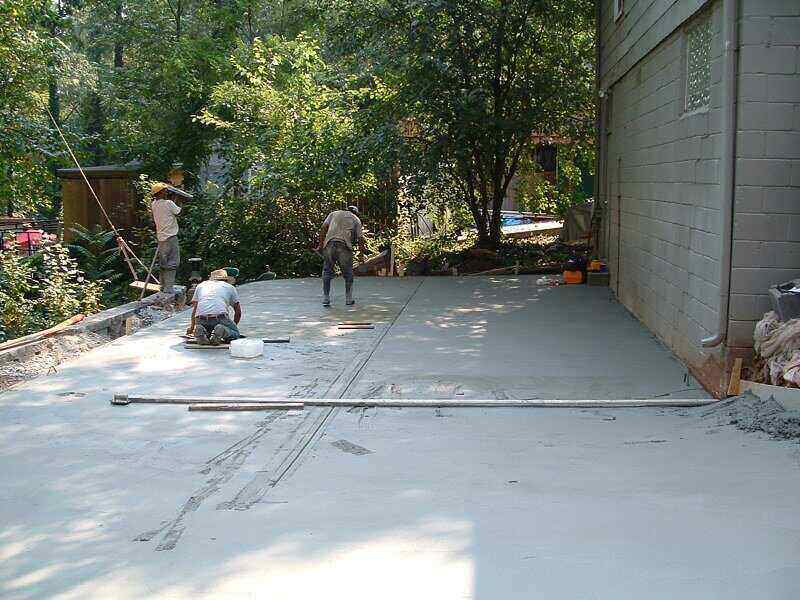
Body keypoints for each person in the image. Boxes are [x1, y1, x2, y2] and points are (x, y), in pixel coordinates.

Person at [317, 205, 366, 306]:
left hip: (329, 244)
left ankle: (326, 299)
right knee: (348, 274)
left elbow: (323, 229)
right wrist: (361, 254)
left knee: (327, 271)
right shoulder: (356, 219)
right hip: (344, 246)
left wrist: (320, 245)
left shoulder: (333, 214)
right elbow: (360, 238)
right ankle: (348, 299)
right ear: (355, 212)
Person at [186, 268, 243, 345]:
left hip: (201, 319)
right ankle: (222, 330)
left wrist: (192, 328)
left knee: (207, 333)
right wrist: (231, 327)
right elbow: (238, 311)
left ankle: (200, 331)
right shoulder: (229, 287)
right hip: (220, 318)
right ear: (225, 280)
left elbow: (195, 310)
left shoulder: (201, 286)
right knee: (235, 334)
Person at [150, 181, 181, 294]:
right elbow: (178, 212)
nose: (166, 192)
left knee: (164, 262)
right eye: (164, 191)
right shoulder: (169, 203)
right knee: (173, 262)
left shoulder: (154, 204)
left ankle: (162, 287)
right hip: (171, 236)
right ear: (160, 192)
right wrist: (177, 199)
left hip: (161, 238)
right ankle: (169, 288)